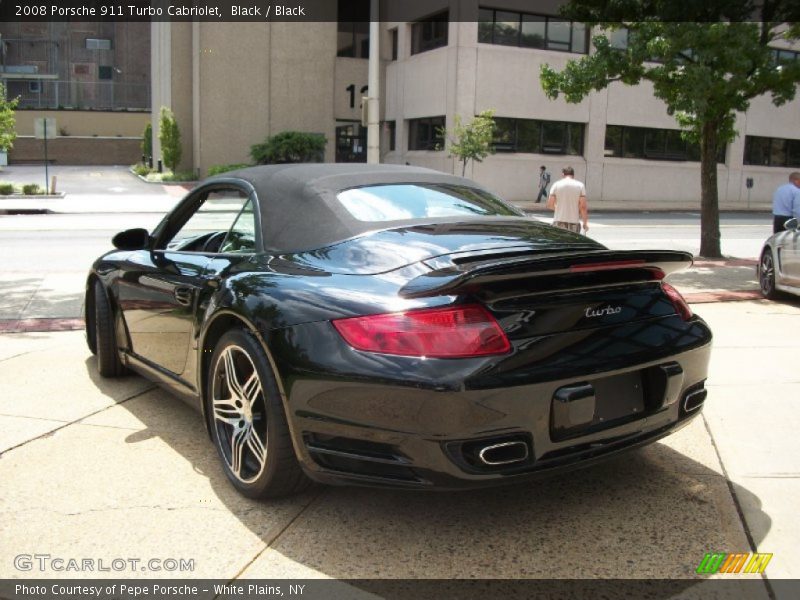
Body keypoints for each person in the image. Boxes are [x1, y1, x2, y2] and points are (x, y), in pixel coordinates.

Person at [547, 166, 588, 234]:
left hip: (558, 221)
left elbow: (550, 205)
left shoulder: (556, 185)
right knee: (572, 243)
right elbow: (583, 207)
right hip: (574, 222)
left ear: (563, 174)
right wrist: (585, 223)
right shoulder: (580, 185)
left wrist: (559, 209)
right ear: (573, 175)